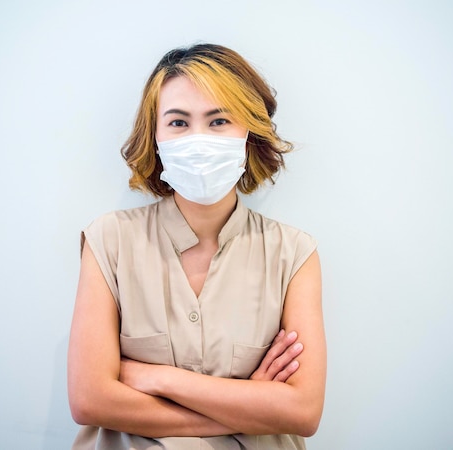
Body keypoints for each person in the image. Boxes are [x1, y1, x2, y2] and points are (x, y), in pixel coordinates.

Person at [68, 43, 326, 450]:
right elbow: (89, 400)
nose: (199, 139)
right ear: (154, 137)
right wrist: (249, 406)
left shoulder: (293, 253)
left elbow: (303, 411)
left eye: (219, 120)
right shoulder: (108, 241)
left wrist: (159, 378)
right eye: (178, 123)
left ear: (249, 133)